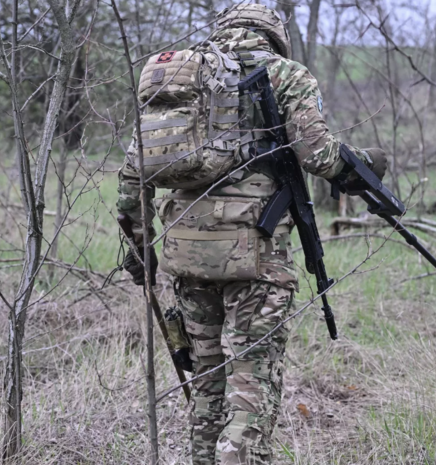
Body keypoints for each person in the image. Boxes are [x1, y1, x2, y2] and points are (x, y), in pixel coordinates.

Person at [117, 4, 387, 464]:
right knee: (251, 388)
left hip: (187, 254)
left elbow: (132, 173)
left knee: (207, 383)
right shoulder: (286, 74)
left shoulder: (183, 76)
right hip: (255, 258)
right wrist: (367, 163)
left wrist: (139, 249)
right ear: (275, 35)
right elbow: (319, 155)